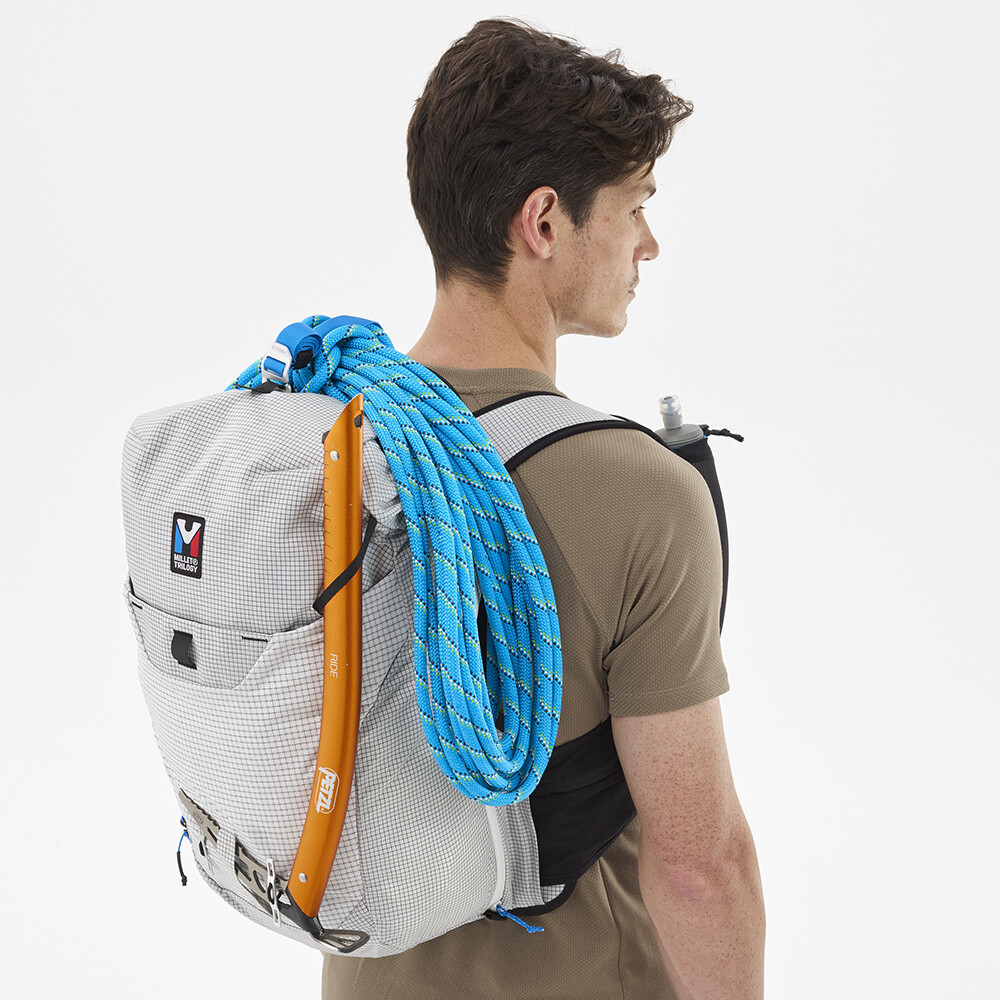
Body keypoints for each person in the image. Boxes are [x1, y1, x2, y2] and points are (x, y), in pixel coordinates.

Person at [322, 18, 765, 1000]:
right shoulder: (639, 492)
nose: (649, 243)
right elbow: (700, 868)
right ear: (545, 223)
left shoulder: (328, 442)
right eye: (634, 207)